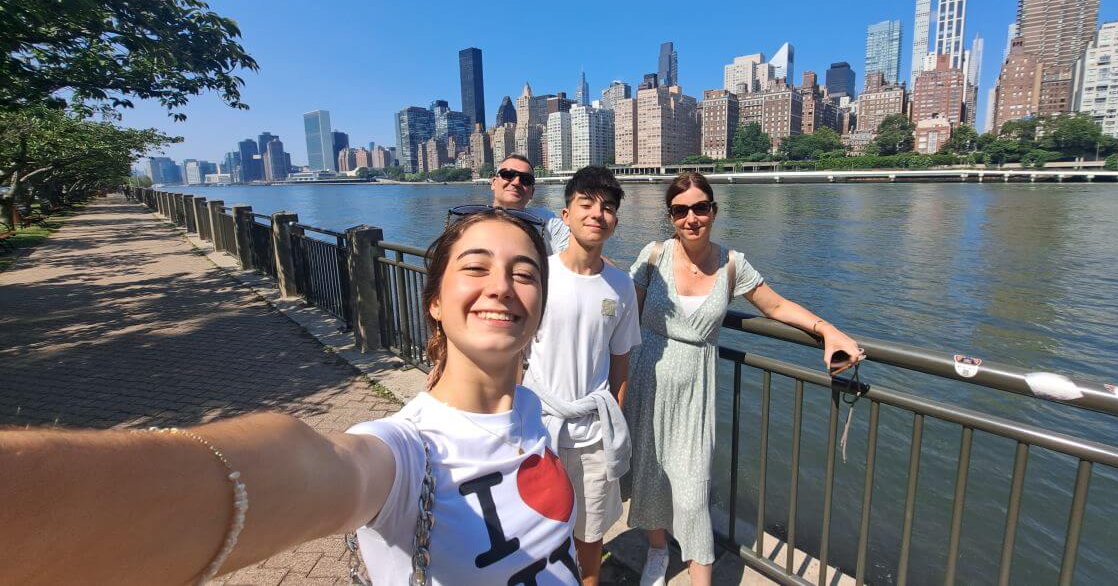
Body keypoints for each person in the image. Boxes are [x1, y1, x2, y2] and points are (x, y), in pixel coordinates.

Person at [1, 210, 581, 585]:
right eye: (475, 267)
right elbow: (309, 466)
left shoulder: (532, 413)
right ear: (434, 301)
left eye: (524, 274)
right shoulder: (404, 452)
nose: (501, 286)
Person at [624, 172, 864, 586]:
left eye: (700, 208)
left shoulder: (732, 263)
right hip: (648, 375)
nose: (691, 218)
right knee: (650, 473)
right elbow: (623, 309)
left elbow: (775, 306)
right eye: (681, 211)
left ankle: (701, 577)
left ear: (714, 211)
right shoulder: (654, 255)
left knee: (694, 493)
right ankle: (659, 552)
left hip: (695, 389)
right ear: (671, 217)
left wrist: (827, 330)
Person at [523, 166, 640, 586]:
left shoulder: (620, 286)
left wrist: (617, 413)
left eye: (607, 207)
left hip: (594, 430)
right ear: (566, 214)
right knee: (537, 525)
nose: (597, 214)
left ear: (615, 220)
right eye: (586, 204)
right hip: (539, 424)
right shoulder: (539, 274)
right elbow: (515, 346)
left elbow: (620, 360)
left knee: (591, 533)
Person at [490, 153, 570, 254]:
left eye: (526, 180)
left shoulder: (546, 220)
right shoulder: (472, 222)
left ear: (532, 192)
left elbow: (573, 252)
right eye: (508, 175)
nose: (516, 182)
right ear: (494, 183)